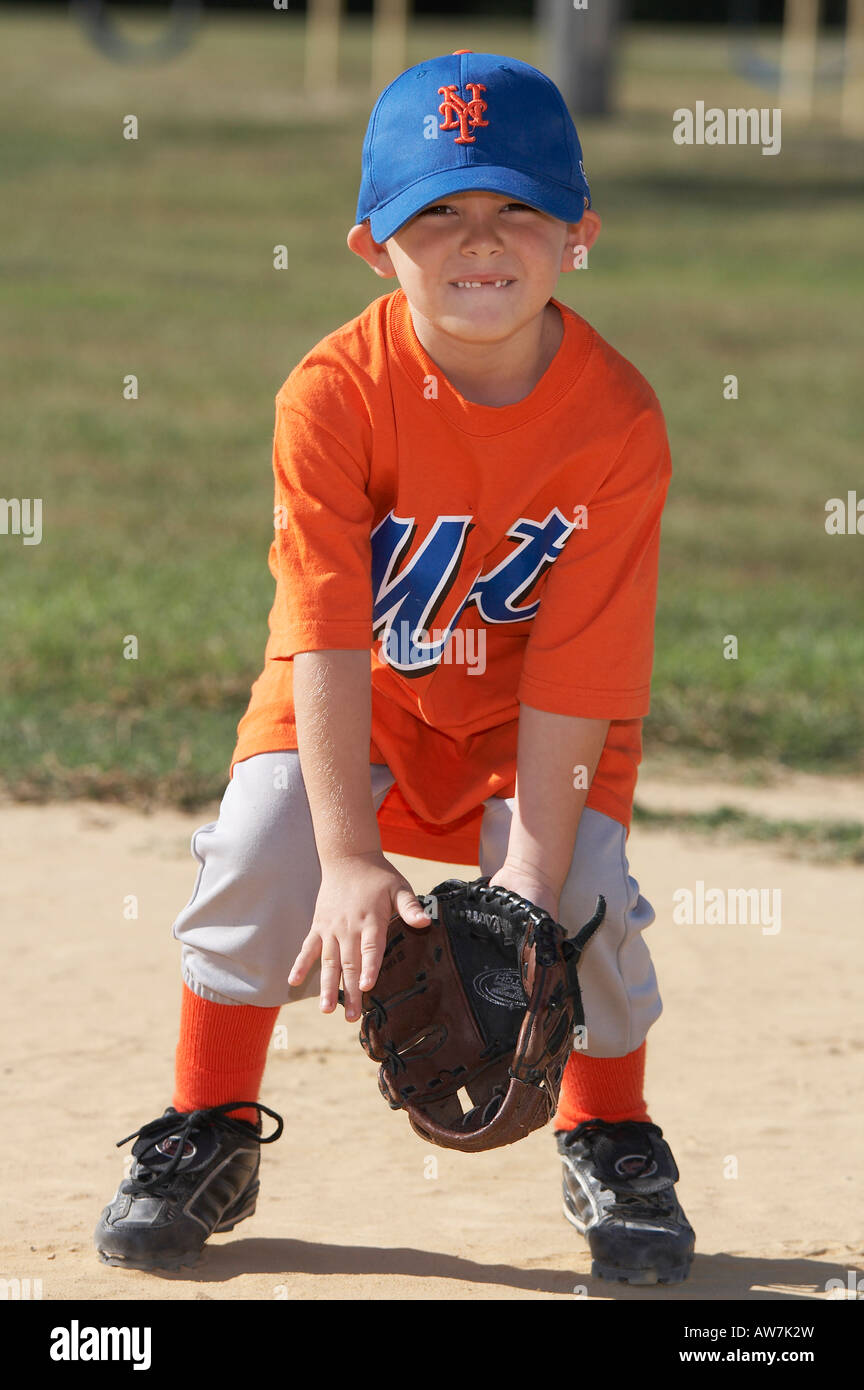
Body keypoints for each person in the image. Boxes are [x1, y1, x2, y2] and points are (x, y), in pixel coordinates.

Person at [94, 49, 694, 1287]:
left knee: (581, 891)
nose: (481, 239)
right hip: (364, 713)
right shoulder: (333, 396)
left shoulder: (616, 420)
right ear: (374, 243)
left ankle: (610, 1134)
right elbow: (323, 633)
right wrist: (353, 856)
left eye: (517, 205)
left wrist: (524, 889)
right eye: (439, 211)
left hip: (532, 731)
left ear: (579, 232)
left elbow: (577, 676)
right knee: (264, 841)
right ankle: (208, 1123)